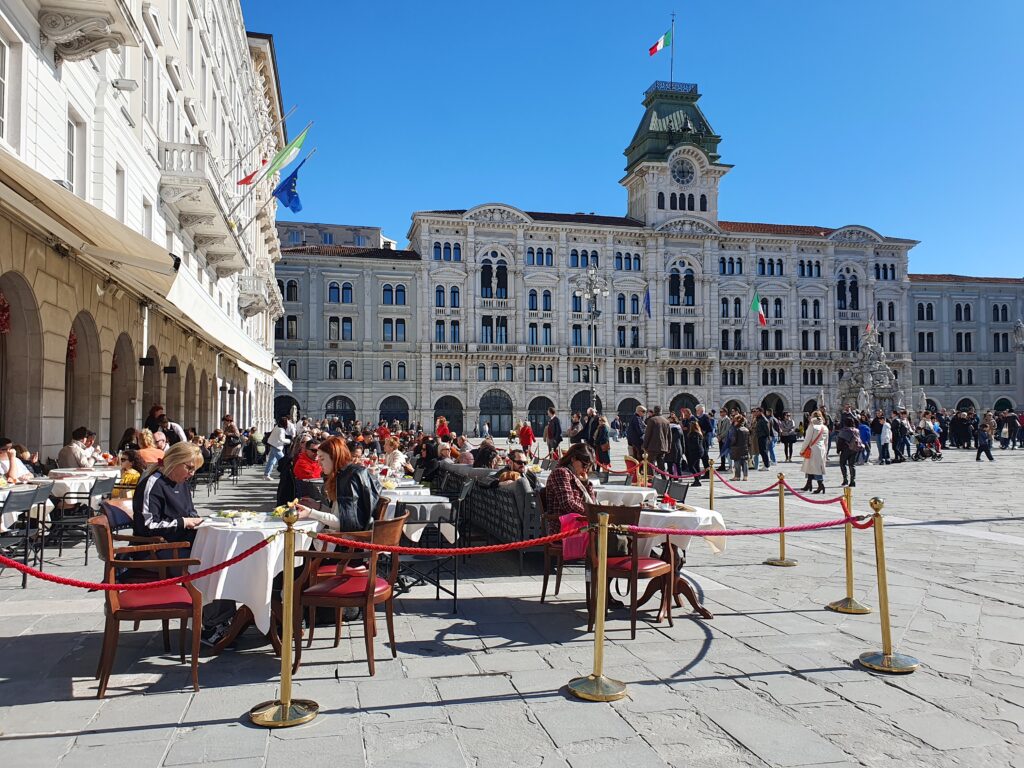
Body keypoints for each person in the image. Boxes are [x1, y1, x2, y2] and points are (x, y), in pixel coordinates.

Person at [295, 436, 380, 532]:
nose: (319, 463)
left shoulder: (348, 478)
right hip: (347, 537)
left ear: (334, 458)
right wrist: (318, 507)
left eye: (322, 459)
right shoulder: (344, 474)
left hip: (346, 541)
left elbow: (344, 523)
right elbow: (339, 515)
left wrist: (310, 513)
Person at [132, 442, 204, 544]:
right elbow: (147, 526)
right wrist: (183, 522)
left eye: (195, 470)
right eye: (189, 468)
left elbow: (190, 512)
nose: (192, 474)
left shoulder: (182, 483)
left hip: (181, 542)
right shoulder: (153, 484)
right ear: (174, 461)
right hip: (155, 549)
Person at [543, 443, 596, 520]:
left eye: (588, 467)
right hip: (564, 525)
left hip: (578, 521)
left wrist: (586, 483)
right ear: (573, 459)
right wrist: (591, 512)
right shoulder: (561, 472)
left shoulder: (574, 475)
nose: (585, 470)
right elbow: (568, 504)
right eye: (584, 465)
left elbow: (592, 503)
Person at [799, 412, 829, 494]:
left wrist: (802, 450)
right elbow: (826, 442)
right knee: (813, 467)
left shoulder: (812, 427)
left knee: (815, 468)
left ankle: (821, 484)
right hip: (821, 449)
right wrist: (825, 452)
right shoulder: (825, 427)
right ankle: (809, 484)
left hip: (813, 449)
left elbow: (807, 440)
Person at [835, 416, 862, 487]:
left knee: (842, 463)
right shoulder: (856, 430)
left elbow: (840, 441)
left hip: (846, 449)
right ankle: (853, 481)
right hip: (854, 449)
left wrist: (838, 450)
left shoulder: (843, 431)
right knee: (852, 465)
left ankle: (845, 480)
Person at [642, 405, 671, 471]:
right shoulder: (666, 421)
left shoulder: (652, 420)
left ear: (654, 411)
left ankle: (651, 479)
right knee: (661, 465)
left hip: (653, 447)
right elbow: (669, 436)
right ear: (661, 411)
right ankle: (664, 479)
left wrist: (644, 446)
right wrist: (668, 447)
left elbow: (648, 434)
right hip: (663, 447)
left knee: (651, 465)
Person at [683, 421, 704, 486]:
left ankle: (697, 479)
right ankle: (697, 478)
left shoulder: (694, 434)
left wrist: (690, 449)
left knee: (691, 466)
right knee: (696, 465)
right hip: (697, 451)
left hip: (695, 452)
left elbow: (696, 444)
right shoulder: (697, 433)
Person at [729, 415, 750, 481]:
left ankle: (737, 476)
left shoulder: (736, 429)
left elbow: (734, 440)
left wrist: (731, 444)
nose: (734, 422)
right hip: (745, 448)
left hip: (737, 448)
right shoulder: (746, 429)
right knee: (744, 462)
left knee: (737, 462)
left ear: (738, 421)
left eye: (735, 420)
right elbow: (749, 441)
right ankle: (745, 476)